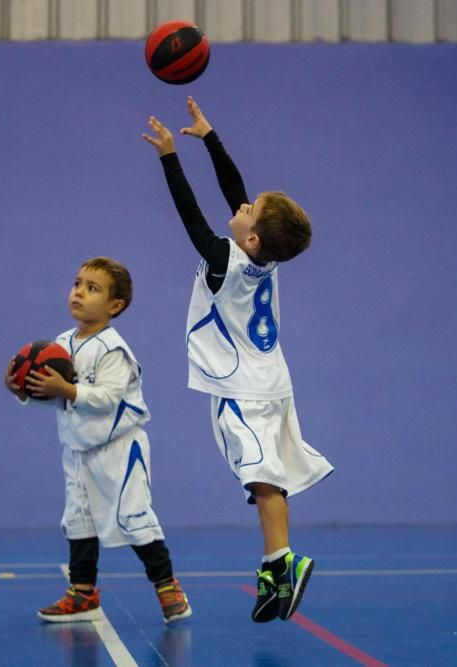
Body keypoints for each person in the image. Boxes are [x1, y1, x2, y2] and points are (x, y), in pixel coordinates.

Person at [142, 97, 334, 623]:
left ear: (250, 236)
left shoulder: (226, 260)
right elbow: (236, 196)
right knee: (266, 479)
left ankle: (283, 563)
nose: (243, 203)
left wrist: (169, 158)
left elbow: (193, 218)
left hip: (239, 387)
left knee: (260, 479)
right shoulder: (263, 258)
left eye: (250, 208)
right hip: (275, 383)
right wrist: (209, 137)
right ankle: (275, 567)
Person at [4, 256, 191, 625]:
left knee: (134, 519)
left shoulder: (112, 349)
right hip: (77, 449)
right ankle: (82, 594)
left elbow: (108, 398)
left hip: (119, 450)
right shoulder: (58, 345)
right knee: (78, 521)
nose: (79, 293)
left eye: (92, 289)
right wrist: (24, 389)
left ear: (114, 306)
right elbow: (60, 399)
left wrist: (68, 389)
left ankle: (168, 586)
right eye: (77, 284)